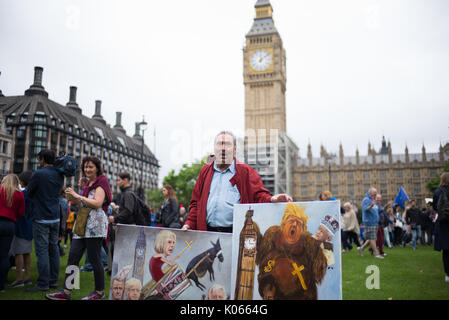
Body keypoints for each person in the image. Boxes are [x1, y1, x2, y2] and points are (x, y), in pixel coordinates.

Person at [182, 131, 292, 232]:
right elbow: (196, 203)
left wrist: (272, 199)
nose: (223, 148)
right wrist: (189, 223)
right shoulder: (205, 171)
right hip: (207, 233)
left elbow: (258, 195)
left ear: (235, 150)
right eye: (220, 144)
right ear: (214, 148)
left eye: (228, 144)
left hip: (235, 233)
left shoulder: (245, 172)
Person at [46, 156, 112, 300]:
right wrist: (73, 197)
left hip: (95, 225)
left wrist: (78, 196)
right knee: (73, 257)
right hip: (82, 222)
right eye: (85, 167)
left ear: (97, 168)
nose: (87, 169)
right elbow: (84, 203)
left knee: (95, 259)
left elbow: (98, 203)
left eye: (91, 167)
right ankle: (66, 292)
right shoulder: (88, 183)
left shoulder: (102, 181)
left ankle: (99, 292)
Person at [26, 149, 64, 292]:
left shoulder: (39, 174)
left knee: (42, 251)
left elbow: (29, 192)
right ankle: (53, 281)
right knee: (53, 249)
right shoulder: (60, 174)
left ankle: (43, 283)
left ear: (42, 159)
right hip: (55, 217)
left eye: (39, 159)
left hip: (41, 217)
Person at [0, 174, 25, 292]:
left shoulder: (0, 190)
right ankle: (1, 285)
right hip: (10, 225)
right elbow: (21, 213)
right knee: (4, 255)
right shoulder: (19, 194)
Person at [8, 171, 33, 288]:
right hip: (29, 225)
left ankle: (19, 279)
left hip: (20, 225)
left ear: (22, 181)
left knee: (18, 252)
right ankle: (27, 277)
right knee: (27, 252)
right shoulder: (33, 194)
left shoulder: (22, 194)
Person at [432, 172, 449, 283]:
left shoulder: (438, 192)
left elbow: (435, 207)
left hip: (443, 223)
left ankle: (448, 274)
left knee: (446, 250)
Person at [358, 187, 384, 259]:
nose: (376, 193)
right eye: (374, 192)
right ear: (370, 192)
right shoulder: (366, 200)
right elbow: (366, 209)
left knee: (371, 238)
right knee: (372, 238)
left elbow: (378, 210)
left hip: (375, 222)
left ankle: (361, 249)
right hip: (369, 222)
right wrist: (372, 204)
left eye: (376, 192)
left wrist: (387, 205)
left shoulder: (374, 200)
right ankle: (376, 253)